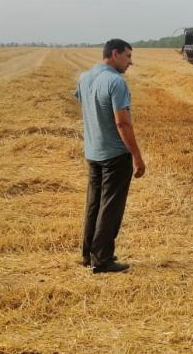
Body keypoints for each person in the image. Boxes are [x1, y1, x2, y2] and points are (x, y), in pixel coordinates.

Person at [74, 39, 146, 274]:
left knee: (94, 204)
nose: (130, 62)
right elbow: (122, 122)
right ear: (114, 54)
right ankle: (103, 259)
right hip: (114, 154)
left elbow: (83, 103)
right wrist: (136, 156)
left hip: (93, 152)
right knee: (110, 208)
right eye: (127, 57)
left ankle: (88, 254)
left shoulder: (84, 77)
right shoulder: (116, 81)